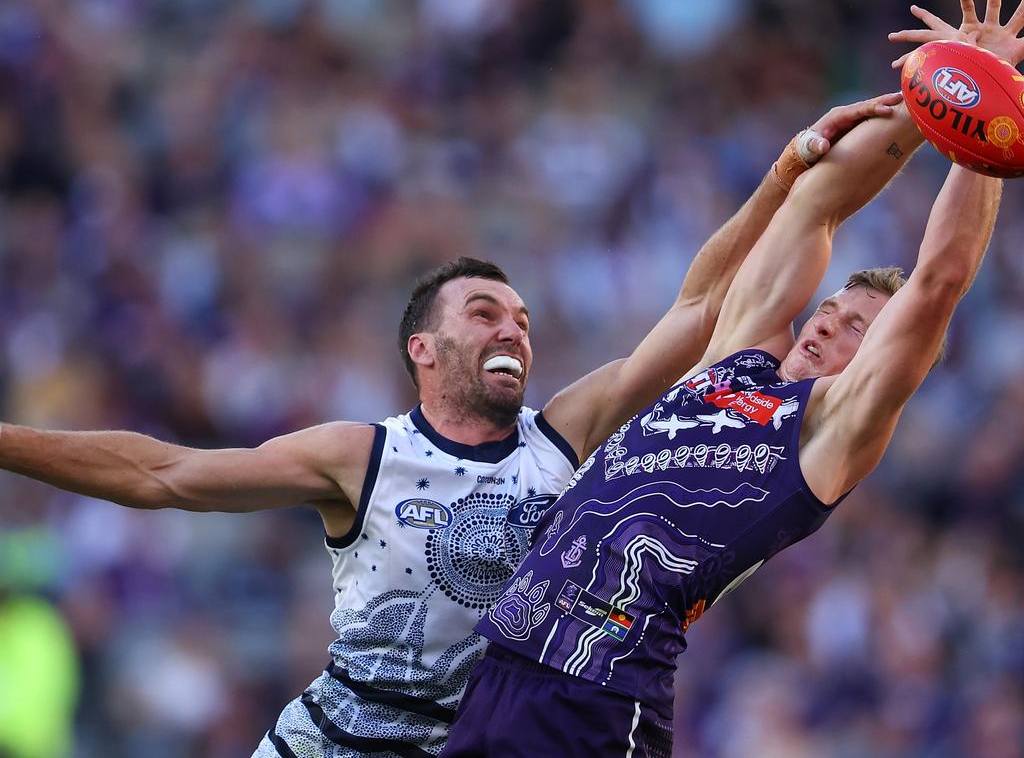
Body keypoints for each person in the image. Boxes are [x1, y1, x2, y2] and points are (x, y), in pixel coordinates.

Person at [0, 96, 896, 758]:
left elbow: (700, 305)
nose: (513, 327)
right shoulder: (362, 456)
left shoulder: (563, 437)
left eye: (523, 317)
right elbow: (163, 475)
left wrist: (784, 177)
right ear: (423, 349)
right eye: (484, 313)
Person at [441, 0, 1021, 757]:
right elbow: (814, 204)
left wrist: (986, 104)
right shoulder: (740, 355)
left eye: (857, 329)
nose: (825, 321)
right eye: (833, 306)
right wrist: (935, 94)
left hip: (597, 694)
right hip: (506, 662)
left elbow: (939, 280)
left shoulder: (833, 426)